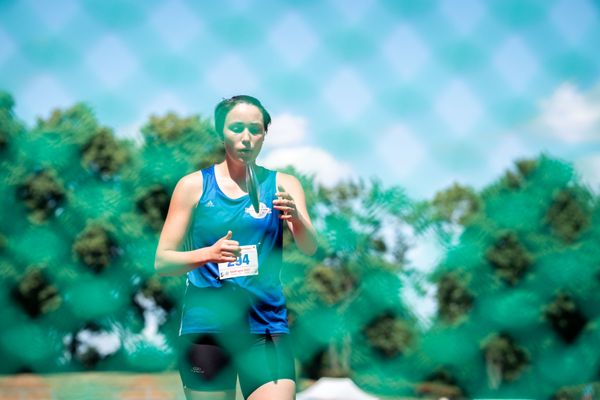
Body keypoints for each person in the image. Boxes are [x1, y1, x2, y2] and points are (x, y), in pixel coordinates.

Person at [154, 95, 317, 400]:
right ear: (220, 132)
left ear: (265, 134)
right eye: (237, 127)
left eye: (255, 129)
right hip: (207, 328)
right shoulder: (193, 186)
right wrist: (209, 254)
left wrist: (297, 218)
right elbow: (163, 262)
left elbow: (309, 247)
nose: (246, 137)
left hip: (266, 326)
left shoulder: (284, 184)